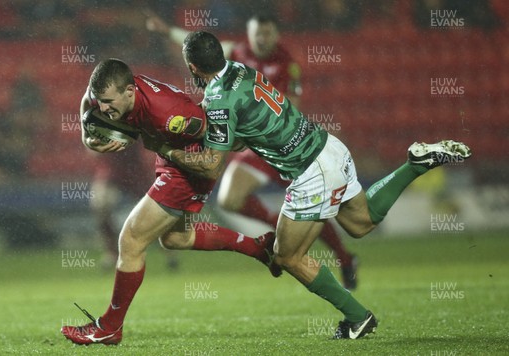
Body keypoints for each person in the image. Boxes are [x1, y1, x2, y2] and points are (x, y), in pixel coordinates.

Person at [148, 31, 472, 339]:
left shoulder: (218, 98)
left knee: (287, 256)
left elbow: (212, 164)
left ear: (192, 66)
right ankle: (414, 165)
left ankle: (357, 317)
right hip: (327, 146)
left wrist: (165, 149)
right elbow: (241, 128)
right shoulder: (239, 69)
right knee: (362, 222)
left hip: (310, 172)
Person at [61, 59, 279, 346]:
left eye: (108, 102)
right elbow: (87, 102)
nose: (102, 109)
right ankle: (257, 247)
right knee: (176, 238)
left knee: (131, 239)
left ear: (129, 91)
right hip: (167, 156)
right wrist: (88, 137)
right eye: (99, 101)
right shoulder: (105, 94)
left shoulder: (168, 111)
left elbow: (213, 134)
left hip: (190, 164)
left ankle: (109, 327)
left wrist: (243, 140)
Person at [147, 13, 360, 289]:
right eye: (257, 33)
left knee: (323, 209)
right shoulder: (235, 54)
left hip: (286, 146)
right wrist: (168, 31)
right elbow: (200, 48)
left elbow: (290, 106)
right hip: (256, 149)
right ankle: (277, 231)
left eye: (267, 33)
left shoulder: (286, 63)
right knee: (229, 198)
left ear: (276, 34)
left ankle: (344, 258)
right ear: (249, 33)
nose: (262, 39)